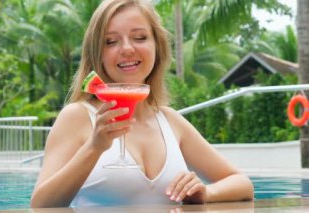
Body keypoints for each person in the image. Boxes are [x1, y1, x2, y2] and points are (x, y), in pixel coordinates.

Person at [30, 0, 254, 208]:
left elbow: (242, 183)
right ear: (97, 54)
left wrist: (205, 192)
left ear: (157, 47)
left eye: (139, 37)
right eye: (111, 41)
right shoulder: (77, 117)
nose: (127, 49)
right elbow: (40, 205)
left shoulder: (170, 121)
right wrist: (94, 147)